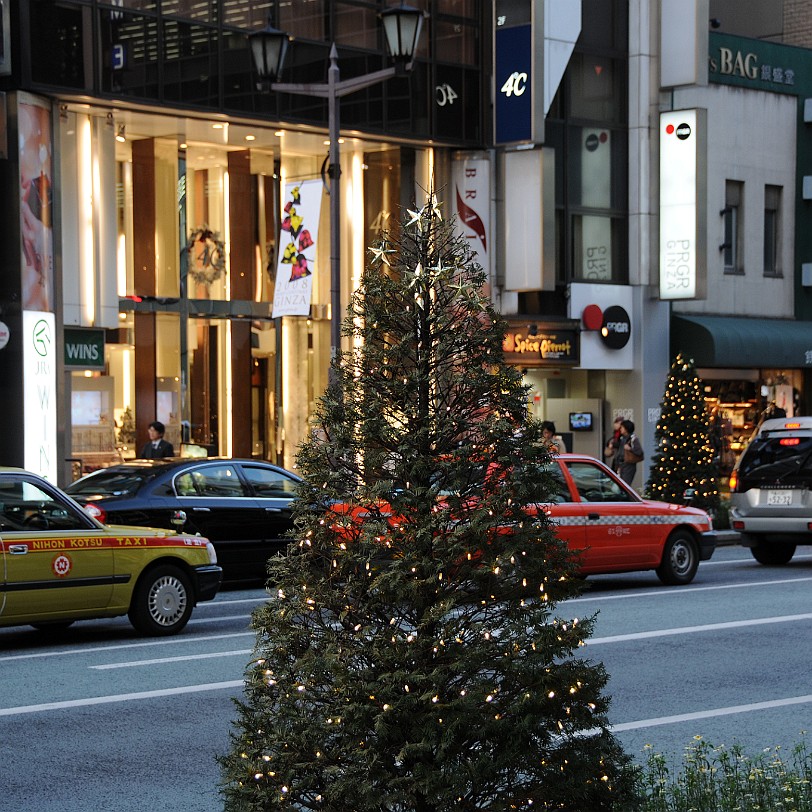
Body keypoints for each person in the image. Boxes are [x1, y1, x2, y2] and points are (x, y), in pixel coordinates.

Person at [615, 419, 643, 485]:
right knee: (620, 485)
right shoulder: (622, 438)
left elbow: (639, 451)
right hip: (621, 465)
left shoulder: (633, 439)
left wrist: (630, 449)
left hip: (628, 465)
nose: (620, 429)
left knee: (625, 485)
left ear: (626, 429)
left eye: (622, 427)